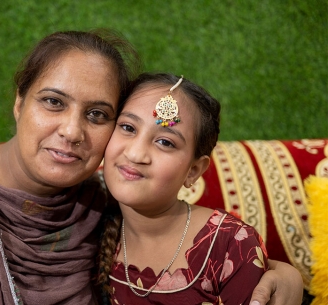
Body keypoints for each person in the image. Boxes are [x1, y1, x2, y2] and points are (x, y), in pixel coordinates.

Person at [0, 30, 302, 305]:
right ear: (19, 102)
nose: (71, 131)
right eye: (53, 102)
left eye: (97, 115)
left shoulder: (98, 205)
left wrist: (284, 273)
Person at [96, 73, 303, 305]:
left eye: (165, 142)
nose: (135, 154)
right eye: (127, 127)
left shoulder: (230, 245)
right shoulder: (86, 218)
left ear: (194, 170)